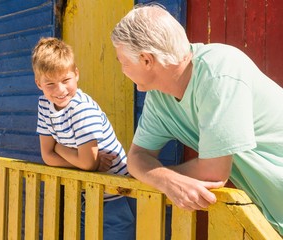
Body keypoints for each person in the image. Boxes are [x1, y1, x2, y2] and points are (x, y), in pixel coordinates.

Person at [110, 3, 283, 235]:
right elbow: (137, 157)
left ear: (146, 60)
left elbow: (214, 172)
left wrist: (161, 177)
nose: (122, 69)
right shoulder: (159, 98)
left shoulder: (218, 71)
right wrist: (165, 180)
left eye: (123, 61)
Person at [32, 37, 136, 240]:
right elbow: (47, 156)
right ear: (39, 83)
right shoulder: (44, 105)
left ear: (76, 74)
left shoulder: (82, 109)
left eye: (65, 80)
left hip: (117, 194)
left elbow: (85, 162)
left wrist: (60, 148)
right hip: (87, 193)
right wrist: (84, 161)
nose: (60, 90)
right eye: (50, 83)